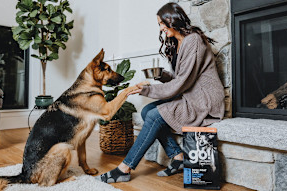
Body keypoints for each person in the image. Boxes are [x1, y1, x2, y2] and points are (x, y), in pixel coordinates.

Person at [96, 2, 225, 183]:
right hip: (190, 95)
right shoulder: (179, 42)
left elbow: (182, 83)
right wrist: (162, 75)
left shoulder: (193, 40)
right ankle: (178, 157)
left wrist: (148, 89)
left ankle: (124, 168)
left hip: (204, 100)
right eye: (159, 24)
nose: (161, 28)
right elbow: (180, 78)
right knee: (146, 111)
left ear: (173, 20)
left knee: (155, 114)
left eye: (162, 23)